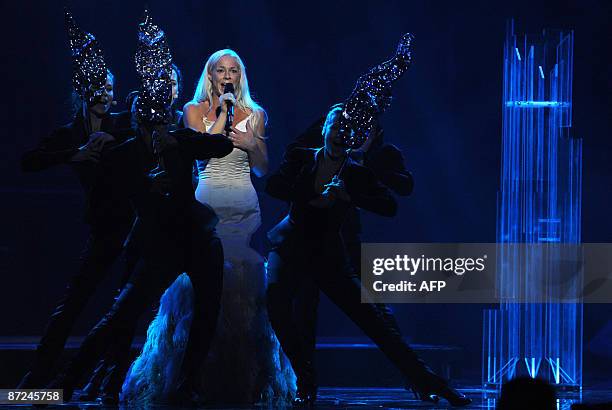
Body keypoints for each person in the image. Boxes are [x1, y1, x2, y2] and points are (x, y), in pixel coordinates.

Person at [46, 12, 234, 405]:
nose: (153, 126)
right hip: (159, 244)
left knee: (206, 312)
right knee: (120, 313)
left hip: (199, 239)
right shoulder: (125, 153)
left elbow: (219, 146)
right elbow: (108, 191)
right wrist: (136, 182)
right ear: (133, 118)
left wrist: (223, 114)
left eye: (158, 121)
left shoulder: (178, 140)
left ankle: (189, 384)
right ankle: (65, 383)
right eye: (145, 120)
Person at [122, 49, 296, 407]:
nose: (227, 75)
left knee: (243, 288)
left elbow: (263, 169)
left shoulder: (256, 113)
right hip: (208, 204)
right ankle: (192, 376)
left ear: (241, 75)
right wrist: (221, 115)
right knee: (200, 289)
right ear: (211, 75)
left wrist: (251, 143)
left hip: (244, 207)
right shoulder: (192, 111)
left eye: (234, 70)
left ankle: (241, 376)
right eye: (221, 70)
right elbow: (199, 155)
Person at [265, 106, 471, 407]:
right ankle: (305, 382)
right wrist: (311, 196)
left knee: (377, 324)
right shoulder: (301, 157)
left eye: (347, 130)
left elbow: (389, 205)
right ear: (324, 129)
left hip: (329, 255)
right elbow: (274, 185)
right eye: (335, 127)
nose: (340, 134)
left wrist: (348, 196)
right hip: (291, 248)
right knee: (282, 308)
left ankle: (433, 384)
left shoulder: (355, 172)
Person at [17, 10, 133, 389]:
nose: (105, 94)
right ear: (83, 90)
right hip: (103, 227)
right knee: (73, 304)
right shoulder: (72, 133)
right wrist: (75, 154)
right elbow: (29, 162)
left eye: (109, 88)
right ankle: (37, 380)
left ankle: (108, 379)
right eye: (97, 87)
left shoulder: (124, 124)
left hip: (136, 226)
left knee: (126, 307)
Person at [78, 63, 185, 405]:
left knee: (167, 308)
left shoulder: (183, 120)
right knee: (125, 307)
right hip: (143, 227)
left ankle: (170, 376)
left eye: (172, 83)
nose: (166, 88)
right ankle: (104, 375)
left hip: (176, 227)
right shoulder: (139, 116)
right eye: (161, 82)